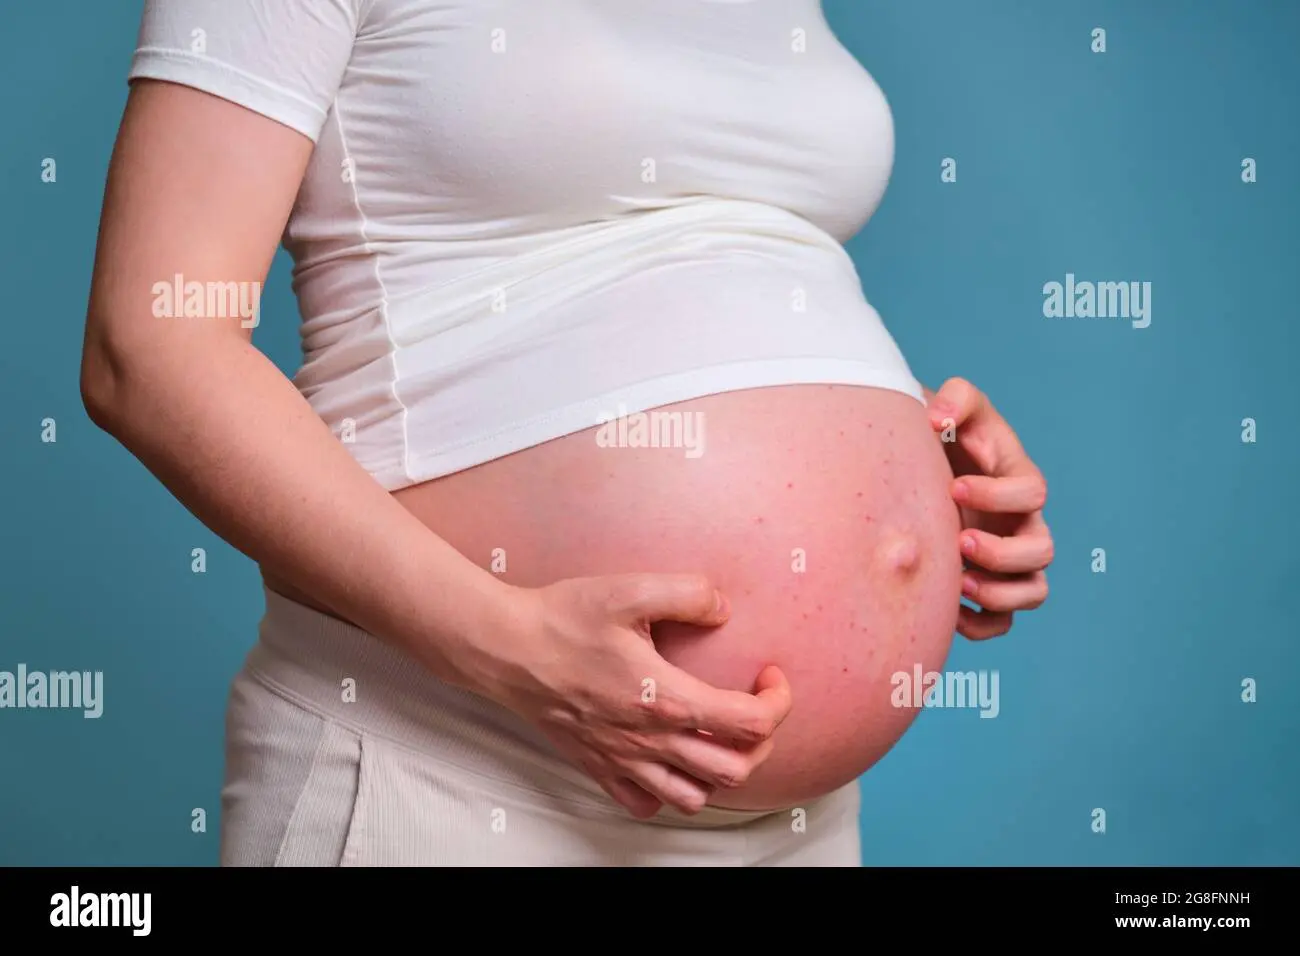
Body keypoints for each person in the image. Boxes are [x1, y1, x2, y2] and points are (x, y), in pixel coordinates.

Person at [81, 0, 1053, 866]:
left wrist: (909, 455)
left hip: (796, 823)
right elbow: (150, 343)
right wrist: (508, 647)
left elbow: (693, 253)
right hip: (453, 773)